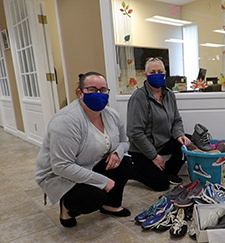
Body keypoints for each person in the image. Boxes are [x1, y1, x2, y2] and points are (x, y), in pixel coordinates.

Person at [35, 72, 132, 227]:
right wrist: (102, 181)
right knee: (95, 198)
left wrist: (116, 153)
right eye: (92, 89)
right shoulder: (66, 121)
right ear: (80, 92)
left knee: (125, 163)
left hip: (91, 163)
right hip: (60, 175)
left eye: (103, 90)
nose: (99, 94)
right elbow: (61, 166)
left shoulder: (111, 114)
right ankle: (66, 208)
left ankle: (110, 205)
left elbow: (124, 141)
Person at [127, 57, 191, 191]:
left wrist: (179, 135)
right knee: (161, 185)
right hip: (142, 150)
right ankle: (132, 171)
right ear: (146, 75)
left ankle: (169, 172)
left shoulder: (169, 94)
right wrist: (154, 156)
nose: (156, 74)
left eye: (159, 71)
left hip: (162, 143)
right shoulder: (139, 97)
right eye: (152, 72)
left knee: (187, 141)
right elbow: (135, 133)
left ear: (165, 73)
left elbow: (176, 120)